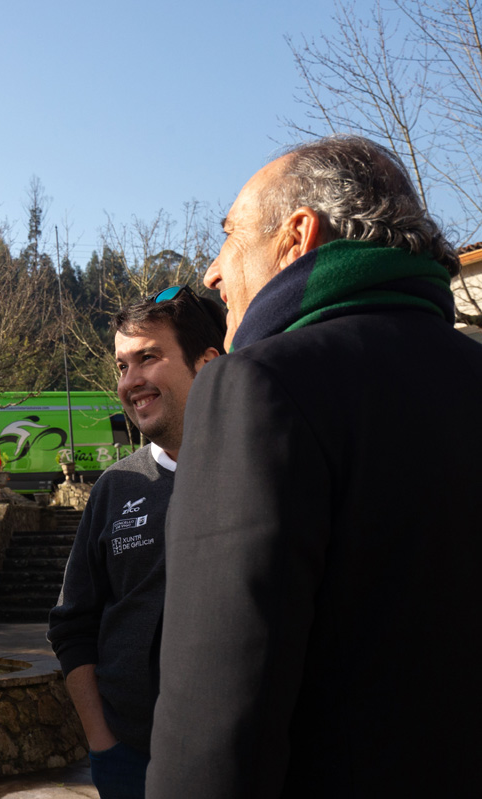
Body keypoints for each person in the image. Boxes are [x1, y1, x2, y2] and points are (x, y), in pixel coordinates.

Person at [146, 135, 482, 798]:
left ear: (298, 235)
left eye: (230, 234)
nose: (212, 274)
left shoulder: (256, 386)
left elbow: (216, 722)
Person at [47, 286, 225, 799]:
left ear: (208, 364)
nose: (131, 382)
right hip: (130, 761)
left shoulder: (264, 470)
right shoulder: (115, 487)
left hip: (246, 755)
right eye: (122, 366)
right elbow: (72, 624)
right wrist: (103, 744)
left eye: (148, 358)